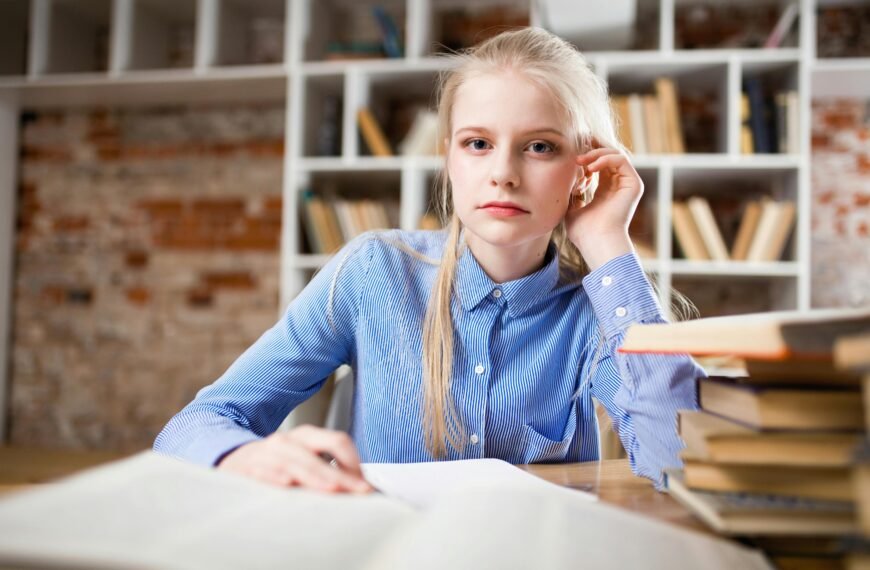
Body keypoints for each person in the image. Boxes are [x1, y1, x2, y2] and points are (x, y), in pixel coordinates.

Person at [153, 27, 701, 494]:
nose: (504, 173)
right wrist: (246, 458)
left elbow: (677, 463)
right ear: (448, 158)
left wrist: (608, 243)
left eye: (540, 147)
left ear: (583, 168)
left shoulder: (595, 310)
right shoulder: (374, 272)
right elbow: (195, 426)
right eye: (478, 143)